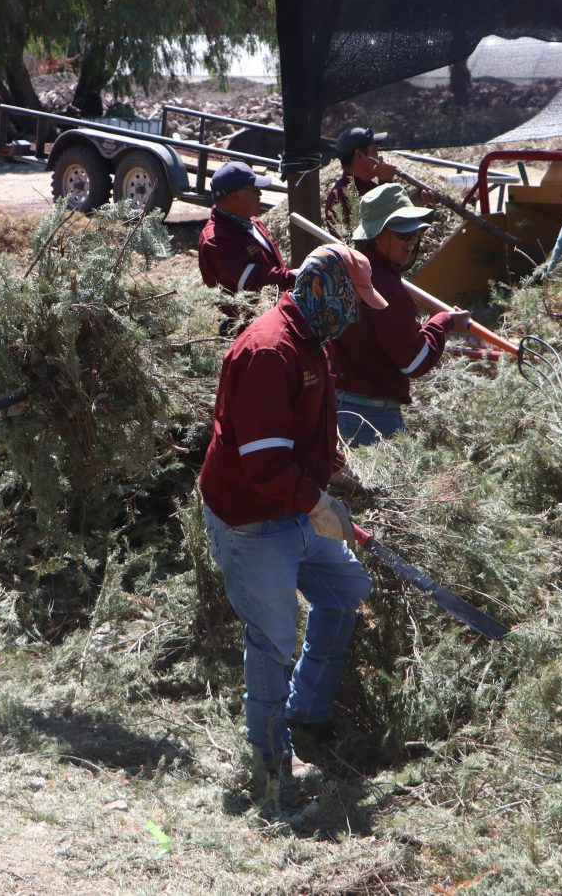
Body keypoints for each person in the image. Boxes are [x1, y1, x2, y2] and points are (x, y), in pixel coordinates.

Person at [199, 244, 388, 781]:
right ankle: (270, 758)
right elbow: (264, 465)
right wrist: (317, 503)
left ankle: (308, 710)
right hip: (252, 518)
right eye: (353, 301)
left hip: (295, 508)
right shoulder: (269, 352)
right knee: (273, 638)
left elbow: (302, 430)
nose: (355, 316)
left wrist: (332, 472)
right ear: (324, 289)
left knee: (347, 593)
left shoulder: (310, 340)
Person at [329, 184, 471, 446]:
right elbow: (414, 362)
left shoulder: (350, 268)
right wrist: (444, 322)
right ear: (378, 234)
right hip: (371, 416)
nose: (413, 241)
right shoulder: (386, 288)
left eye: (416, 233)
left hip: (340, 406)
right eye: (404, 234)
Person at [198, 161, 295, 330]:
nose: (260, 193)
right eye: (253, 189)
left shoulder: (253, 222)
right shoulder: (215, 241)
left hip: (273, 318)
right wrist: (296, 277)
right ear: (235, 196)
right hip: (248, 329)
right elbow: (252, 280)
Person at [324, 126, 399, 238]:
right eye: (374, 152)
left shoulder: (370, 186)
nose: (379, 157)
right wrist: (386, 182)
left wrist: (417, 201)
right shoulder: (341, 195)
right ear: (359, 154)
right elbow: (383, 230)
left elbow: (396, 219)